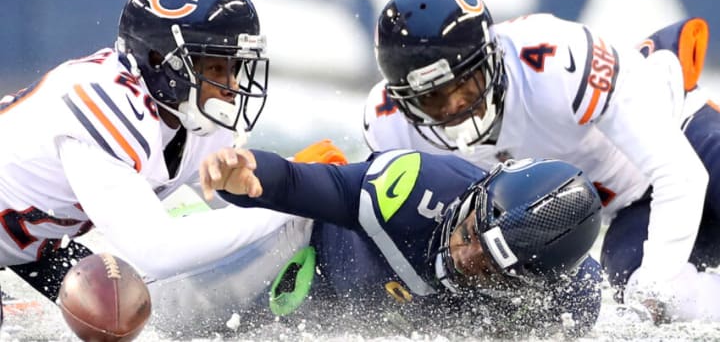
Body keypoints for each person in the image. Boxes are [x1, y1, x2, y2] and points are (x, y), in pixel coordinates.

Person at [361, 0, 720, 323]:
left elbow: (681, 174)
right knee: (655, 299)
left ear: (491, 60)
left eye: (465, 85)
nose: (456, 107)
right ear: (404, 100)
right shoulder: (390, 126)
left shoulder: (555, 62)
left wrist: (656, 283)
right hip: (627, 209)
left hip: (686, 136)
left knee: (654, 285)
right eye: (431, 97)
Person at [0, 0, 293, 323]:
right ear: (159, 61)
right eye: (215, 68)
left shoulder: (193, 118)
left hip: (32, 243)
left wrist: (297, 178)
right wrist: (293, 204)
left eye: (235, 67)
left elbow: (227, 197)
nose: (230, 87)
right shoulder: (105, 105)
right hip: (26, 239)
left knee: (124, 311)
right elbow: (159, 249)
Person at [193, 145, 604, 338]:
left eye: (489, 268)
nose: (464, 256)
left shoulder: (566, 303)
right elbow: (295, 182)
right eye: (471, 233)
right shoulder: (414, 188)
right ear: (481, 193)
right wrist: (243, 175)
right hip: (304, 261)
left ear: (532, 287)